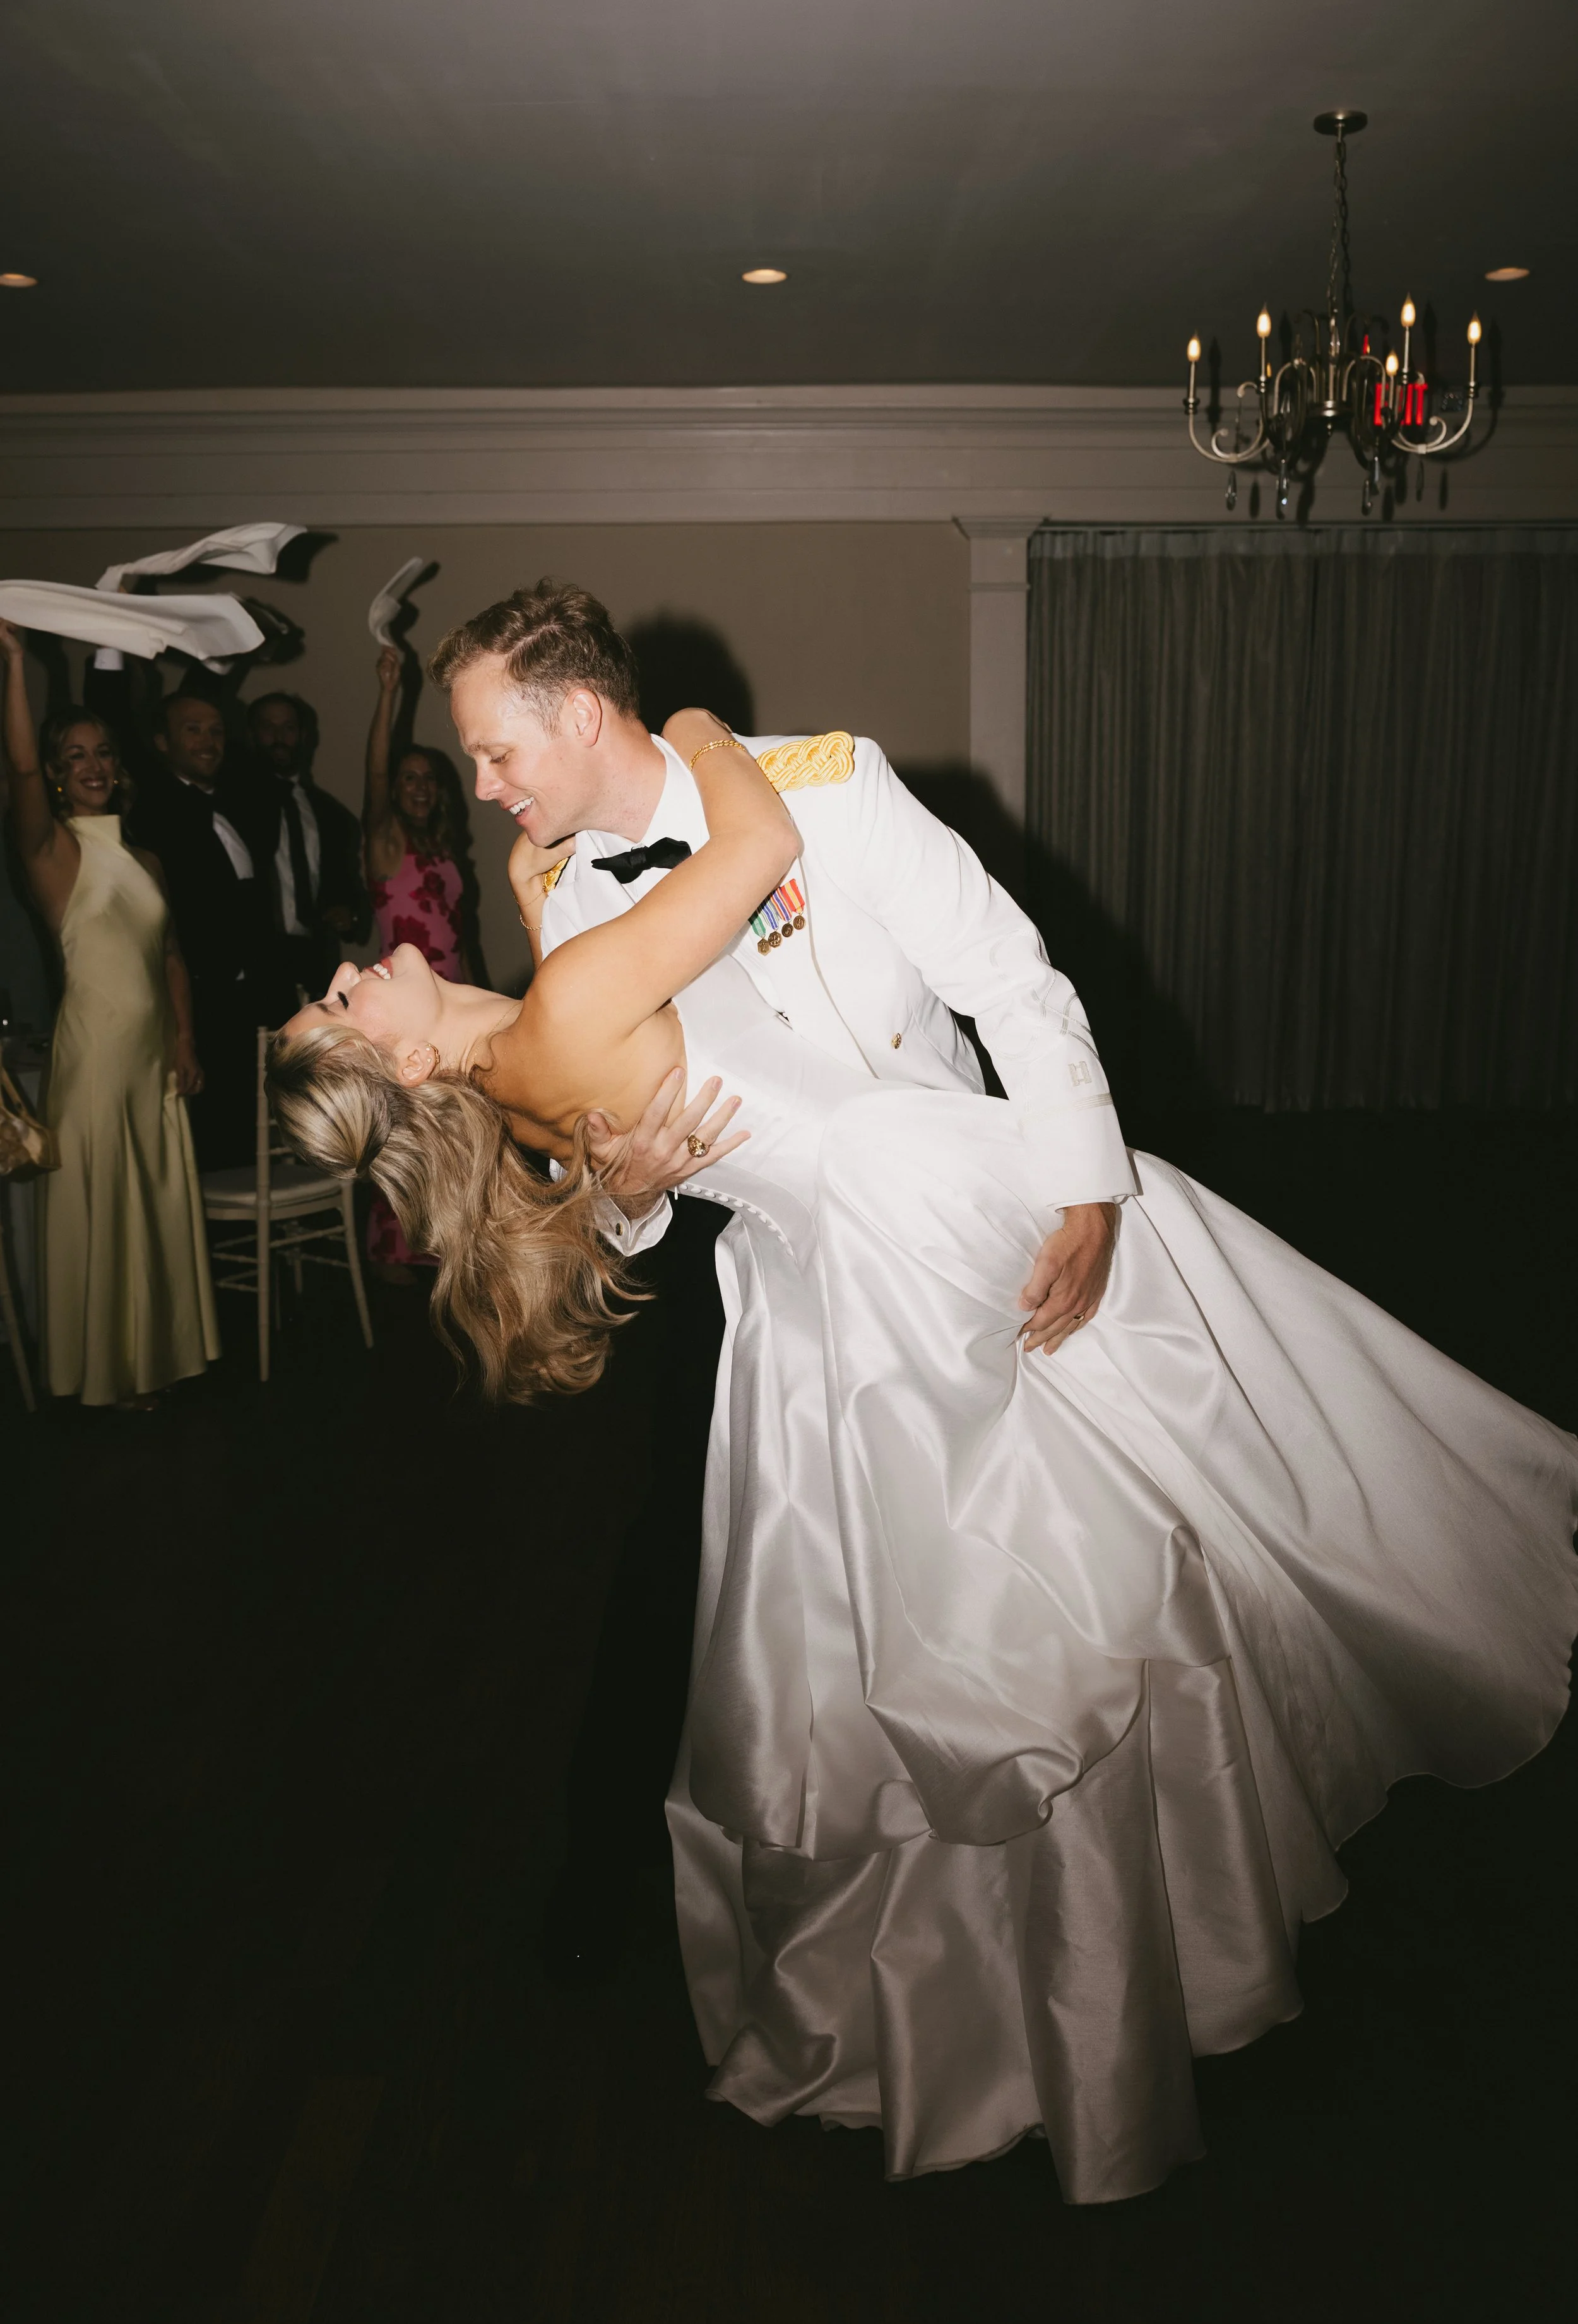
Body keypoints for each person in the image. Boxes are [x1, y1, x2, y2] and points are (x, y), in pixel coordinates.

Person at [268, 587, 1578, 2208]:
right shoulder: (555, 882)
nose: (480, 784)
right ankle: (991, 2016)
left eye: (490, 746)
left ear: (575, 712)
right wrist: (627, 1185)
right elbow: (608, 1144)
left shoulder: (818, 781)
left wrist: (1085, 1183)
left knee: (1150, 1548)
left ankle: (1176, 1940)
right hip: (817, 1289)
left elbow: (1013, 981)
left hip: (962, 1211)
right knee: (951, 1657)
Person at [0, 621, 218, 1408]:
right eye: (75, 757)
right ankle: (103, 1374)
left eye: (102, 753)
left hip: (150, 1064)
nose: (92, 766)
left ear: (118, 767)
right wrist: (18, 664)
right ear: (58, 777)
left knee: (152, 1213)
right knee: (104, 1213)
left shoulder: (147, 858)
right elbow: (18, 765)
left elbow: (169, 959)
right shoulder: (50, 852)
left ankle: (156, 1357)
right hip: (90, 1062)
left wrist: (184, 1037)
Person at [360, 644, 480, 1278]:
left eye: (427, 779)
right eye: (408, 779)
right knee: (407, 1136)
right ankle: (395, 1256)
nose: (417, 787)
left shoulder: (449, 853)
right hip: (404, 1014)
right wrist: (389, 693)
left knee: (453, 1139)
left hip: (455, 1006)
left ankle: (445, 1250)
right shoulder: (384, 845)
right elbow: (374, 779)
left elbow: (465, 935)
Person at [128, 688, 282, 1168]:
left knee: (252, 1131)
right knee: (209, 1142)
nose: (208, 741)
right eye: (192, 730)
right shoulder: (152, 814)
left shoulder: (238, 804)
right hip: (195, 1002)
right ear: (162, 741)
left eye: (216, 731)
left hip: (249, 1000)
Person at [248, 690, 371, 999]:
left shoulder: (331, 814)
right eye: (268, 728)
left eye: (288, 728)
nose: (279, 738)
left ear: (303, 736)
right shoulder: (234, 802)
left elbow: (346, 882)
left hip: (316, 961)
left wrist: (349, 913)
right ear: (252, 735)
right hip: (253, 962)